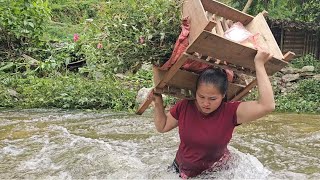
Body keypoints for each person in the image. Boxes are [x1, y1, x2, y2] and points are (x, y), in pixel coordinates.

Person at [151, 49, 275, 178]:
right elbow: (162, 126)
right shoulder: (185, 106)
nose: (205, 103)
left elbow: (267, 105)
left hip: (214, 174)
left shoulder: (231, 112)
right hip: (180, 169)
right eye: (201, 96)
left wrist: (259, 64)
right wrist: (158, 103)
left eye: (212, 99)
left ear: (223, 96)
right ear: (196, 93)